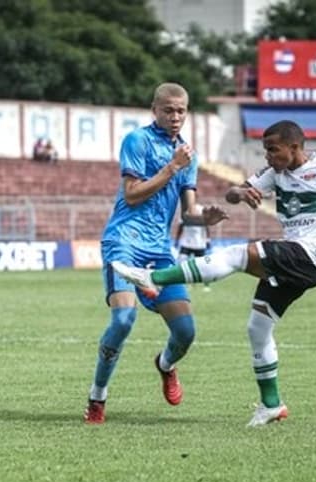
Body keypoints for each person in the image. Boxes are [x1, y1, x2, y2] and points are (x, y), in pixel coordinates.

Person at [112, 120, 316, 427]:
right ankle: (271, 405)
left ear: (295, 147)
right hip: (296, 259)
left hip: (310, 254)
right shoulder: (274, 174)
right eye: (265, 150)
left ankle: (153, 278)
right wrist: (241, 194)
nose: (268, 156)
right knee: (258, 327)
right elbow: (235, 194)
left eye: (273, 150)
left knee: (239, 254)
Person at [84, 82, 228, 425]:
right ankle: (97, 397)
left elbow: (188, 210)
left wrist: (203, 218)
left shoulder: (187, 156)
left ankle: (165, 364)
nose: (175, 117)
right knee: (123, 319)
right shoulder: (138, 142)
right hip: (123, 242)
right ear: (155, 110)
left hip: (159, 251)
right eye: (168, 110)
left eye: (181, 111)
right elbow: (132, 195)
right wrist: (172, 168)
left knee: (186, 333)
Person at [174, 211, 212, 291]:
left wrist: (208, 240)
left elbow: (206, 227)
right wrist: (177, 240)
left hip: (199, 244)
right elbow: (180, 227)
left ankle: (206, 285)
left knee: (204, 264)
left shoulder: (201, 210)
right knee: (181, 262)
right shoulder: (185, 213)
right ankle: (183, 284)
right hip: (187, 243)